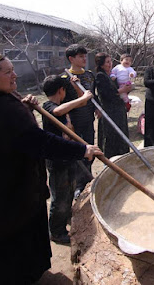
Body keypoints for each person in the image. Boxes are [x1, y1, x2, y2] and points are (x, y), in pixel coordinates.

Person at [0, 53, 103, 284]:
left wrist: (25, 107)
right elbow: (39, 141)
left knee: (22, 239)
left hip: (5, 187)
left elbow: (17, 134)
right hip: (6, 193)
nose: (14, 74)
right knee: (12, 248)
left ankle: (29, 274)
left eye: (12, 69)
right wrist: (81, 150)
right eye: (7, 72)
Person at [42, 75, 93, 243]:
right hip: (57, 160)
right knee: (59, 197)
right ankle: (56, 231)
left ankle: (65, 218)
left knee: (69, 191)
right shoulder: (48, 106)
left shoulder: (62, 104)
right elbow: (58, 112)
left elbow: (82, 102)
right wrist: (84, 97)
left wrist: (76, 87)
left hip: (68, 156)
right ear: (60, 91)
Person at [61, 44, 99, 199]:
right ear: (71, 59)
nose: (84, 59)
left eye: (85, 56)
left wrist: (98, 108)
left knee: (90, 149)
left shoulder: (89, 75)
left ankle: (88, 180)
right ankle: (78, 186)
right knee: (77, 151)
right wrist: (67, 122)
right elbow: (62, 102)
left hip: (88, 118)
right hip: (74, 120)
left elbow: (93, 94)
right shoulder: (64, 78)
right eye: (80, 56)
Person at [95, 52, 130, 158]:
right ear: (101, 64)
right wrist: (122, 90)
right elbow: (108, 94)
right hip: (110, 112)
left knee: (120, 137)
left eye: (110, 62)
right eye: (107, 62)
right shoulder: (100, 76)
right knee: (111, 138)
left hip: (118, 111)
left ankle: (121, 158)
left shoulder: (110, 76)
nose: (110, 64)